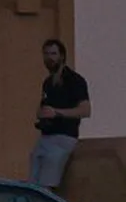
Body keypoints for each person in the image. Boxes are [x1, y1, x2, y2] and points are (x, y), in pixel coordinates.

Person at [30, 38, 90, 190]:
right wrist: (42, 113)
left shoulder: (75, 81)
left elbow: (85, 110)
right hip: (45, 137)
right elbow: (42, 108)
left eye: (53, 53)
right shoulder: (48, 82)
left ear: (62, 56)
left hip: (63, 138)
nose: (49, 58)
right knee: (32, 185)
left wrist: (57, 113)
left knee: (46, 187)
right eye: (46, 54)